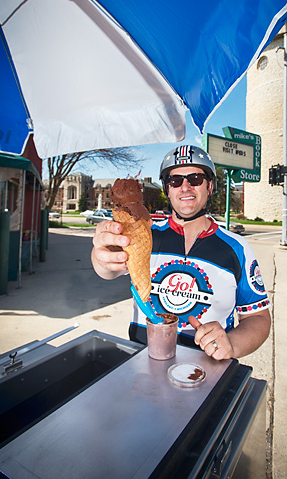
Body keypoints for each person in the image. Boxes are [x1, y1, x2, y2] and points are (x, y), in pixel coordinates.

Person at [91, 145, 271, 360]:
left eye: (195, 179)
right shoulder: (146, 235)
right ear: (167, 189)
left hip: (206, 368)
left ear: (210, 186)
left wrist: (232, 343)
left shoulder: (236, 247)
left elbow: (258, 317)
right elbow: (107, 269)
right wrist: (101, 258)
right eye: (175, 181)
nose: (185, 187)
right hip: (141, 361)